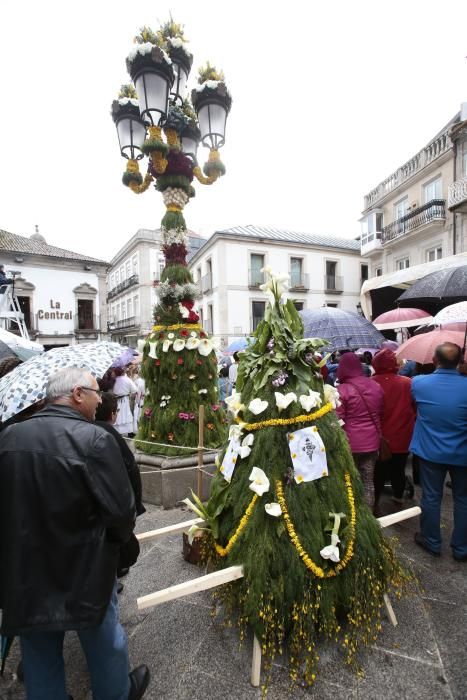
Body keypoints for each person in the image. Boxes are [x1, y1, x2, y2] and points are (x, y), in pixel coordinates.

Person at [0, 366, 150, 700]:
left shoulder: (9, 437)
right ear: (77, 394)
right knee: (102, 639)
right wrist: (118, 544)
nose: (100, 402)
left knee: (37, 644)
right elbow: (121, 512)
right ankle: (116, 694)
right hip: (86, 565)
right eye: (96, 393)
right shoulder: (94, 439)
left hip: (25, 567)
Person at [410, 342, 467, 561]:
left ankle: (432, 541)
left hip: (430, 451)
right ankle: (461, 548)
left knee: (431, 497)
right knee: (463, 499)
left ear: (435, 360)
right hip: (462, 452)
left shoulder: (419, 383)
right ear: (460, 361)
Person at [95, 391, 146, 587]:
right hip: (110, 507)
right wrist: (134, 505)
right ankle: (114, 575)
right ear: (113, 414)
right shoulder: (108, 435)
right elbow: (129, 469)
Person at [336, 352, 384, 507]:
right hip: (372, 441)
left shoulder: (342, 390)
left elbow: (337, 419)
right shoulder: (375, 385)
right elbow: (382, 411)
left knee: (348, 481)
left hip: (349, 444)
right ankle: (368, 517)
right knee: (368, 481)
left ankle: (352, 516)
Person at [371, 349, 416, 509]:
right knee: (399, 468)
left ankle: (375, 501)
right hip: (402, 434)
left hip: (379, 437)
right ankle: (398, 497)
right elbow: (415, 407)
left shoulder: (371, 382)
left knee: (379, 470)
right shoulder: (407, 382)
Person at [111, 367, 138, 436]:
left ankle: (116, 432)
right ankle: (129, 432)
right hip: (124, 400)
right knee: (126, 414)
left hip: (115, 400)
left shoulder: (113, 380)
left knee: (118, 415)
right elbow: (134, 389)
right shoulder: (127, 379)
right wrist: (128, 393)